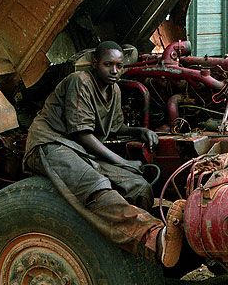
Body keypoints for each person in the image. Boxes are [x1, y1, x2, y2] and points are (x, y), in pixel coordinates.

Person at [23, 41, 185, 267]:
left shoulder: (114, 89)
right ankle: (153, 239)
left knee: (138, 186)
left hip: (80, 151)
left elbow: (117, 127)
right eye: (108, 64)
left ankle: (134, 258)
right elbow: (81, 133)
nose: (115, 71)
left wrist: (142, 131)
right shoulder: (80, 81)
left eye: (119, 66)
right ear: (94, 63)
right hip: (51, 144)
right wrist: (122, 161)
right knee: (95, 185)